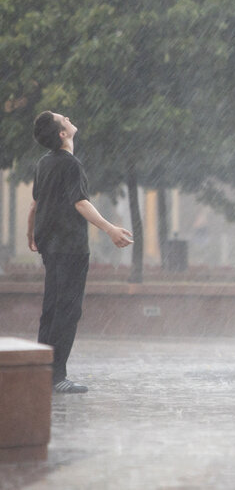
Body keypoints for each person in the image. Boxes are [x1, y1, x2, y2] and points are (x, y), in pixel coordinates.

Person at [26, 111, 133, 394]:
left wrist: (30, 234)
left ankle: (42, 371)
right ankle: (57, 375)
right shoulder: (71, 165)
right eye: (64, 118)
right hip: (70, 246)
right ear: (62, 134)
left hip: (49, 244)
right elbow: (81, 203)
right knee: (68, 310)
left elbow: (35, 204)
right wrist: (110, 229)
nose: (70, 118)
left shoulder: (44, 163)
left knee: (51, 308)